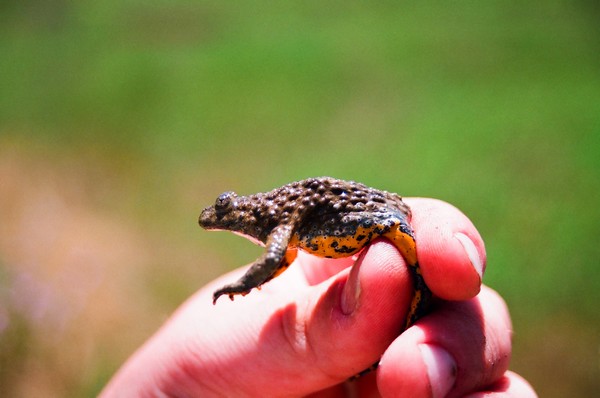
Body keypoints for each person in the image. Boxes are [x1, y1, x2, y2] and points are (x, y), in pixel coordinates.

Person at [101, 198, 537, 397]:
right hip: (376, 229)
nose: (219, 220)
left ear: (247, 214)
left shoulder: (280, 223)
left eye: (226, 213)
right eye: (222, 213)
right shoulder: (287, 226)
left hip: (383, 221)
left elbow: (275, 259)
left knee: (414, 307)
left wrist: (241, 284)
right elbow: (282, 259)